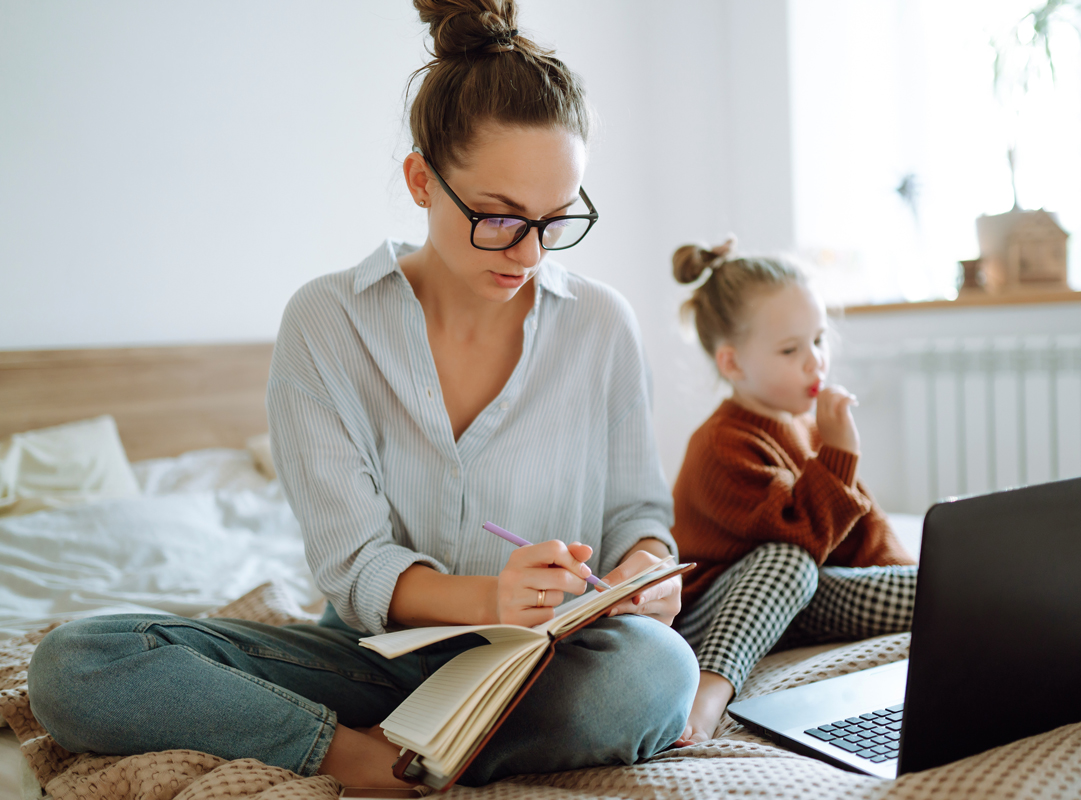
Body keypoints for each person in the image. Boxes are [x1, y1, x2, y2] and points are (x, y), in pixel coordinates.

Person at [26, 0, 697, 790]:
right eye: (499, 217)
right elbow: (354, 566)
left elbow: (638, 517)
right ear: (421, 180)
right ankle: (374, 761)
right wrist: (494, 595)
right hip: (368, 662)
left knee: (655, 671)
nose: (528, 252)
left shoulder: (602, 325)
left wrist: (644, 572)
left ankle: (428, 751)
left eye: (555, 221)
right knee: (77, 664)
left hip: (544, 669)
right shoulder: (327, 322)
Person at [668, 237, 917, 745]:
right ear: (733, 364)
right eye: (790, 350)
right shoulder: (722, 444)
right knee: (790, 562)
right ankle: (711, 690)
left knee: (931, 591)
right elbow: (800, 534)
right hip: (715, 608)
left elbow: (864, 524)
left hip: (799, 601)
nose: (815, 362)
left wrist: (900, 571)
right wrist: (839, 456)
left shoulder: (810, 425)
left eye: (819, 340)